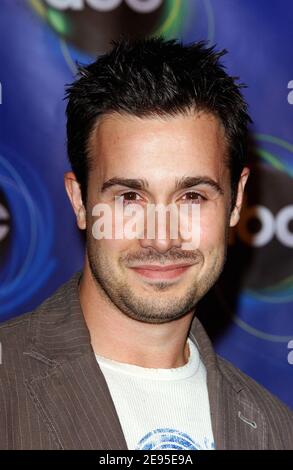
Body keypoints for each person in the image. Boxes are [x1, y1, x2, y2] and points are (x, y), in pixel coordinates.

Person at [0, 37, 292, 451]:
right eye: (129, 198)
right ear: (80, 202)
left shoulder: (276, 431)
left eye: (192, 197)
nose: (161, 236)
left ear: (236, 202)